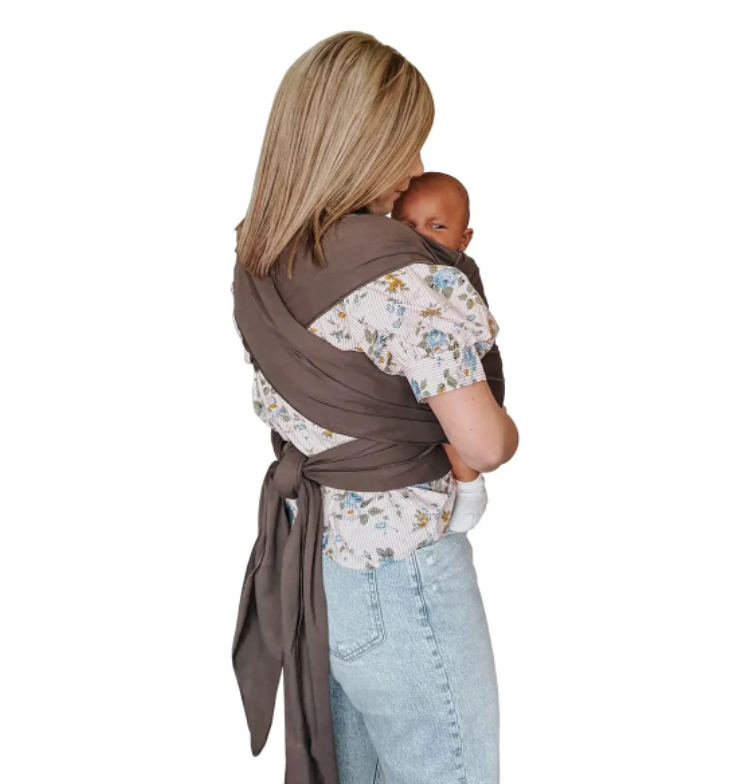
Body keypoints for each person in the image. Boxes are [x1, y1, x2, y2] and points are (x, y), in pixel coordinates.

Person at [231, 31, 519, 784]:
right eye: (407, 142)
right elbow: (484, 445)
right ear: (363, 144)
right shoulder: (407, 277)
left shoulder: (262, 256)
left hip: (314, 565)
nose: (417, 168)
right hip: (404, 572)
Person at [390, 171, 491, 532]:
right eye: (408, 226)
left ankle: (470, 484)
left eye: (437, 226)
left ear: (464, 239)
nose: (421, 236)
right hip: (431, 368)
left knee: (449, 425)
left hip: (471, 368)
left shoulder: (457, 269)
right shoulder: (396, 265)